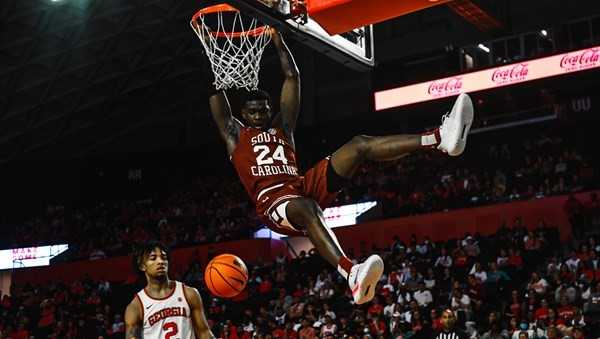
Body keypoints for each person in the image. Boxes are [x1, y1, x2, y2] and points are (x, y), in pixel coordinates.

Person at [206, 28, 474, 305]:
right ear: (243, 114)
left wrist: (278, 39)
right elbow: (216, 100)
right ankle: (350, 272)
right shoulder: (234, 135)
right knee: (308, 208)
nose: (260, 114)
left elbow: (292, 77)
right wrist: (214, 58)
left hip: (301, 186)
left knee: (360, 145)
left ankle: (440, 139)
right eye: (253, 111)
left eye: (263, 109)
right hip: (273, 202)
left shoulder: (282, 127)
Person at [124, 241, 215, 338]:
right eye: (153, 258)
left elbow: (204, 332)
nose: (160, 261)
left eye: (164, 257)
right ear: (142, 266)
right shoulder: (136, 306)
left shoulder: (189, 293)